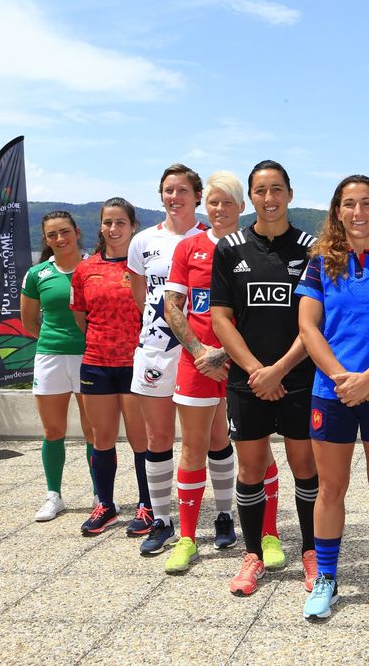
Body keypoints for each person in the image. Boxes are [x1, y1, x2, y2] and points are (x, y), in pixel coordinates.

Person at [298, 174, 369, 622]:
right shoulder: (320, 263)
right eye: (349, 204)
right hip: (331, 392)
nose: (358, 212)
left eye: (366, 203)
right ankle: (326, 578)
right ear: (337, 211)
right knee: (330, 488)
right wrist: (343, 378)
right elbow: (308, 328)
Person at [211, 160, 318, 597]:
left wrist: (280, 370)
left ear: (290, 194)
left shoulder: (311, 249)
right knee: (251, 468)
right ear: (250, 198)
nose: (269, 198)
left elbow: (316, 323)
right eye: (261, 190)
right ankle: (253, 554)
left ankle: (312, 552)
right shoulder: (229, 247)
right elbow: (221, 318)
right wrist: (258, 371)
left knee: (305, 467)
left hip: (300, 377)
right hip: (248, 382)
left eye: (277, 189)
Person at [160, 172, 244, 574]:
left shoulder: (252, 246)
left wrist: (226, 353)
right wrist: (199, 351)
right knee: (194, 446)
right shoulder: (188, 247)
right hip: (197, 362)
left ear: (241, 206)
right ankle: (188, 538)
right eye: (213, 202)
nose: (220, 209)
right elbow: (171, 306)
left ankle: (226, 516)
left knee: (242, 443)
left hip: (243, 360)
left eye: (228, 202)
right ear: (203, 205)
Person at [127, 163, 208, 555]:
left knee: (208, 439)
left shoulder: (211, 237)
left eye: (182, 190)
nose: (174, 197)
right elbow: (141, 296)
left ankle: (221, 515)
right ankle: (161, 519)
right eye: (168, 190)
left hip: (200, 352)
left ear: (197, 195)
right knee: (157, 438)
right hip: (156, 351)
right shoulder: (143, 241)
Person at [70, 199, 150, 535]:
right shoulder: (85, 269)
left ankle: (148, 505)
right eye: (108, 223)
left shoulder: (141, 268)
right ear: (100, 226)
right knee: (101, 438)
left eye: (120, 223)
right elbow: (80, 315)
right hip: (96, 363)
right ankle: (106, 505)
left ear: (133, 227)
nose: (113, 229)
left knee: (140, 439)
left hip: (135, 364)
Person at [22, 211, 97, 521]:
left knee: (95, 431)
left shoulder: (95, 268)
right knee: (53, 430)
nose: (59, 238)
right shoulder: (37, 273)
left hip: (90, 357)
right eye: (52, 235)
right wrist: (55, 341)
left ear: (77, 232)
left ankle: (100, 495)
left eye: (64, 231)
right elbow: (29, 322)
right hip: (50, 357)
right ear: (46, 239)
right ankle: (54, 495)